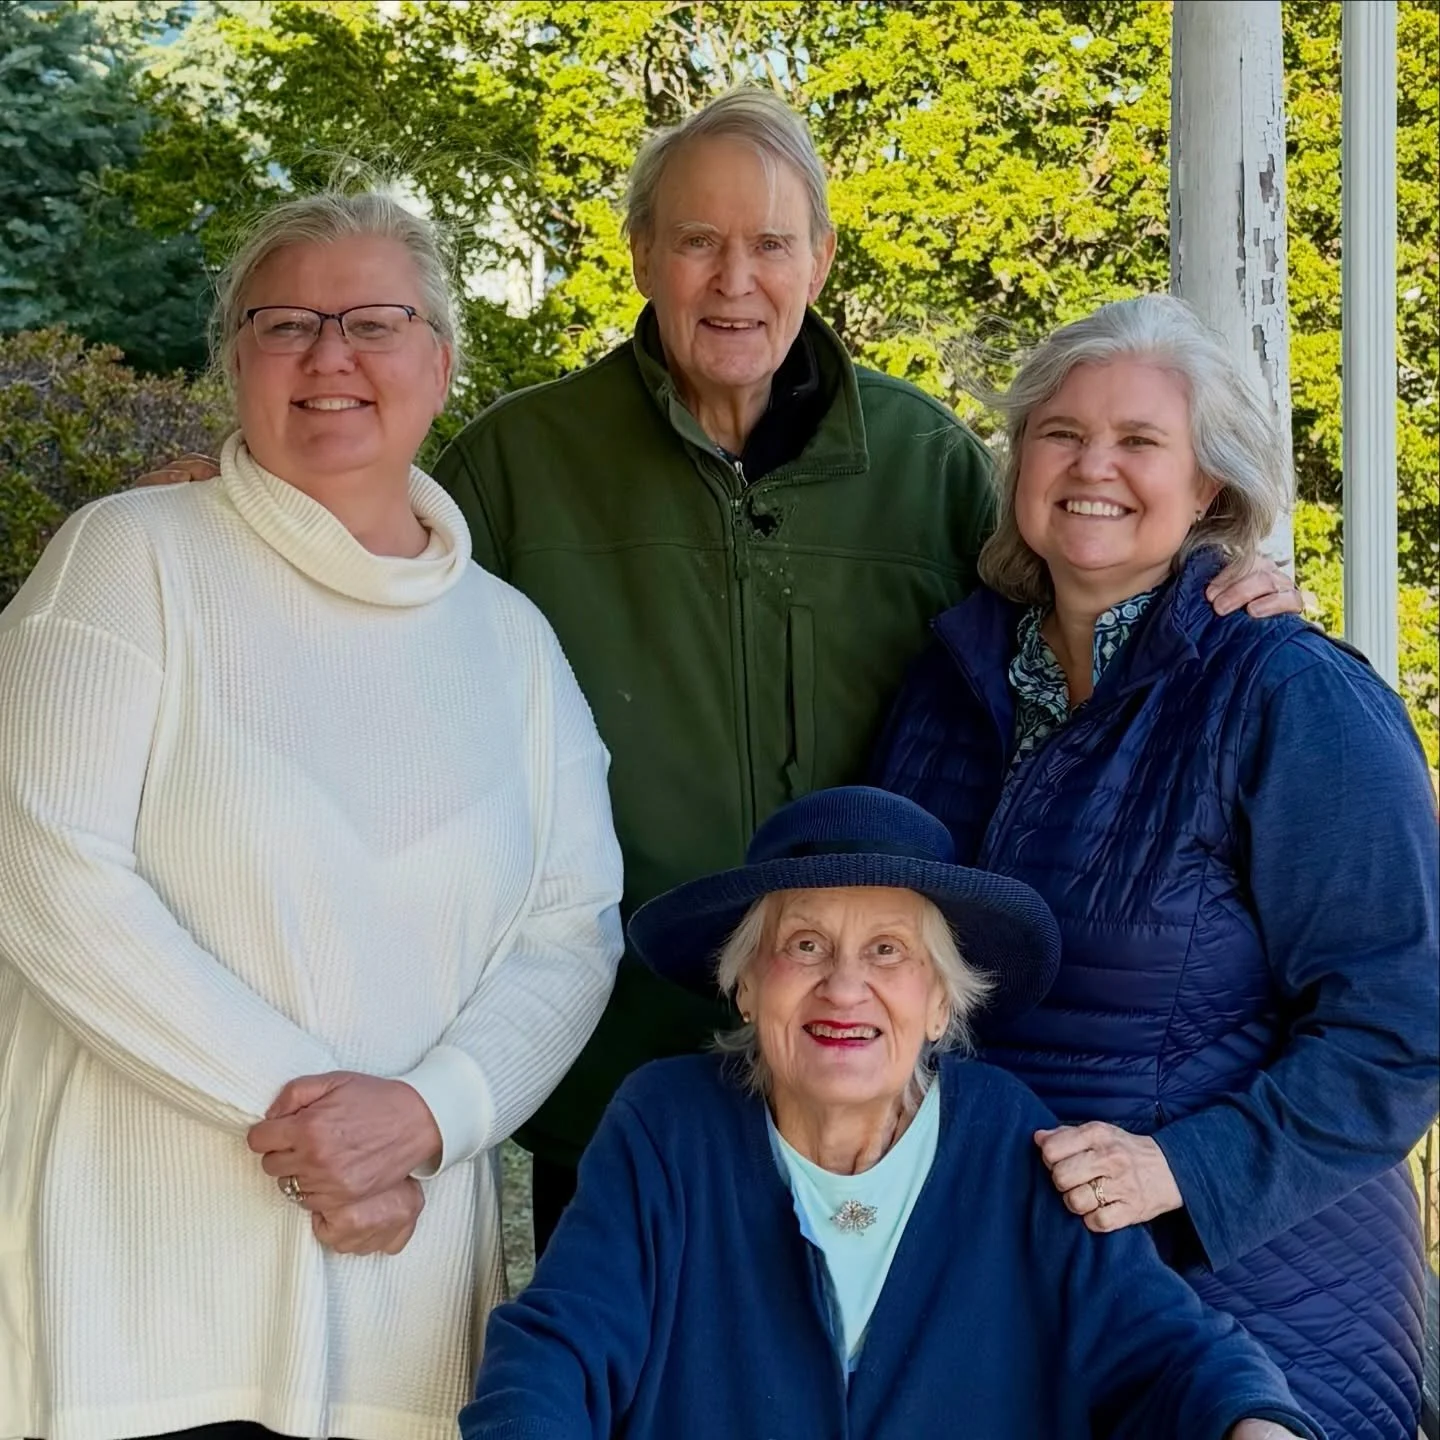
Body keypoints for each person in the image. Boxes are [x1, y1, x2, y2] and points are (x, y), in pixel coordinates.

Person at [141, 90, 1303, 1250]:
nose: (734, 280)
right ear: (643, 254)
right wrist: (243, 516)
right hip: (614, 1067)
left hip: (877, 1076)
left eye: (769, 244)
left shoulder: (928, 464)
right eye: (697, 241)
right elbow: (375, 600)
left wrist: (1225, 582)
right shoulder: (523, 458)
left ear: (822, 257)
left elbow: (1080, 605)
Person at [0, 191, 623, 1440]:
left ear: (442, 364)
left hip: (398, 1296)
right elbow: (45, 868)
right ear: (232, 360)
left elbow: (574, 928)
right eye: (285, 323)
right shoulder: (130, 559)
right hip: (143, 1304)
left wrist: (429, 1117)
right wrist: (325, 1125)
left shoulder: (508, 641)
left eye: (375, 321)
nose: (331, 355)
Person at [871, 294, 1440, 1440]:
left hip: (1256, 1309)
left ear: (1211, 490)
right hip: (1004, 1295)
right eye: (1062, 434)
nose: (1096, 468)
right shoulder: (945, 689)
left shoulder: (1289, 693)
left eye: (1140, 442)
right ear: (1019, 460)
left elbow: (1401, 1027)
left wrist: (1183, 1169)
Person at [461, 786, 1319, 1440]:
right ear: (749, 984)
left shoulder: (1006, 1141)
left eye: (887, 951)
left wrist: (1254, 1424)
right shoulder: (668, 1126)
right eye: (804, 946)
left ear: (941, 1002)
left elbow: (1176, 1352)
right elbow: (555, 1349)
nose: (844, 986)